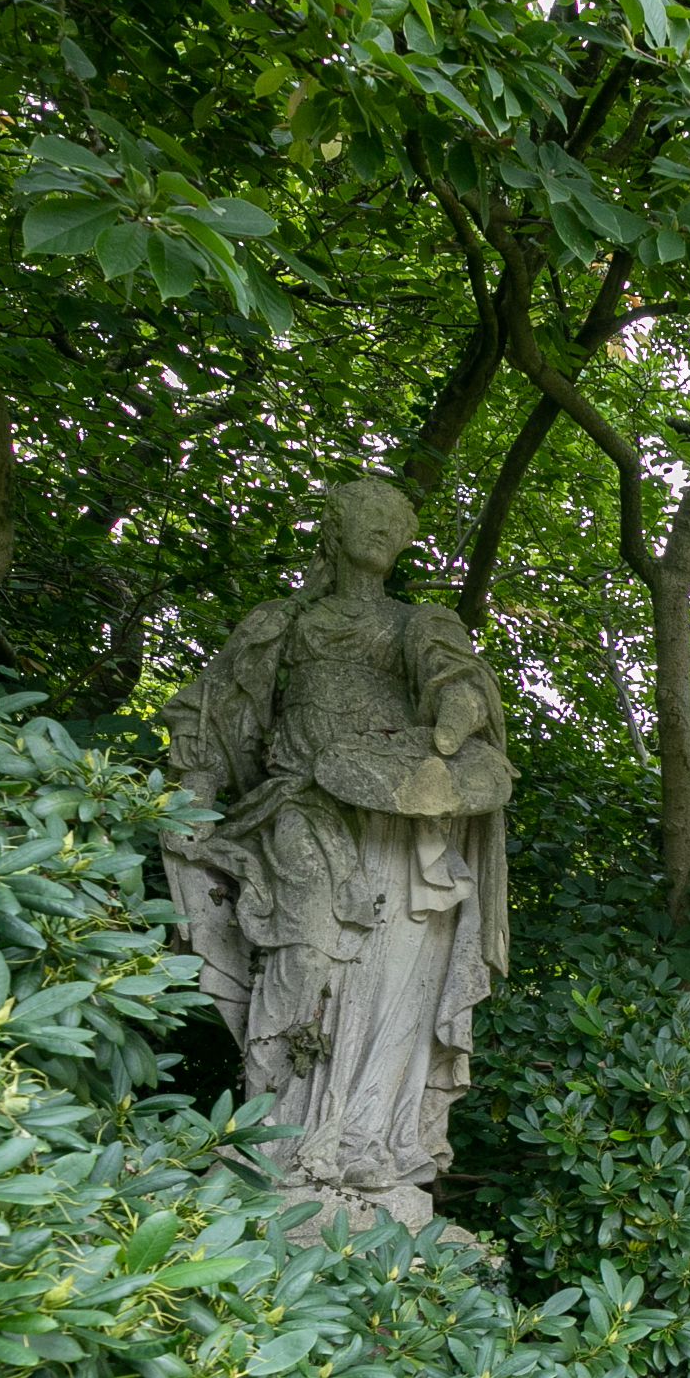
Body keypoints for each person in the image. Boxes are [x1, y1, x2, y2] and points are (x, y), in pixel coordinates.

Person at [159, 478, 510, 1227]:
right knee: (307, 947)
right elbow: (222, 711)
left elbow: (461, 685)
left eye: (398, 518)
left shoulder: (419, 622)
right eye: (370, 513)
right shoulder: (285, 622)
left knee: (392, 981)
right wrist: (189, 796)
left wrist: (448, 732)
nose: (384, 527)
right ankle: (279, 1137)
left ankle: (364, 1147)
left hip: (396, 822)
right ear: (334, 522)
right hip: (299, 801)